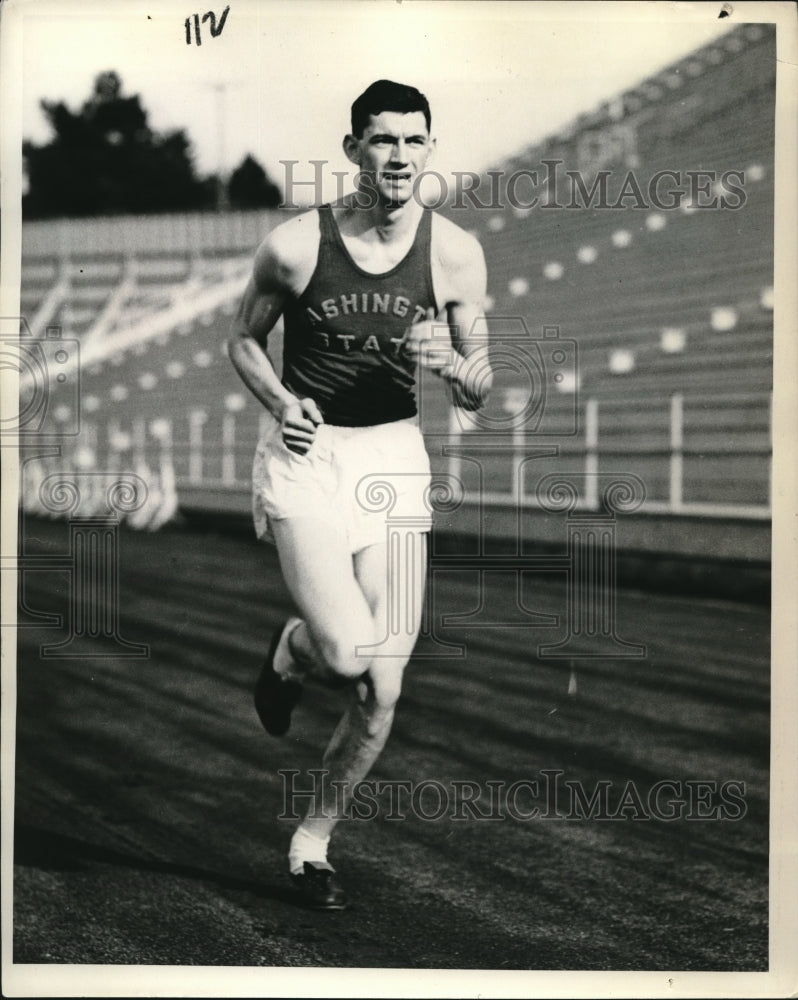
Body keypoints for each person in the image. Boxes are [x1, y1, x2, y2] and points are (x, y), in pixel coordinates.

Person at [228, 79, 491, 910]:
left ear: (430, 150)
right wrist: (283, 402)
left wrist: (460, 369)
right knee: (344, 655)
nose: (400, 157)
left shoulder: (454, 253)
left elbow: (482, 383)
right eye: (383, 141)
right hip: (309, 457)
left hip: (392, 459)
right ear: (353, 151)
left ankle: (312, 844)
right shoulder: (296, 246)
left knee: (384, 684)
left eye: (415, 142)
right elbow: (241, 339)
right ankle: (291, 653)